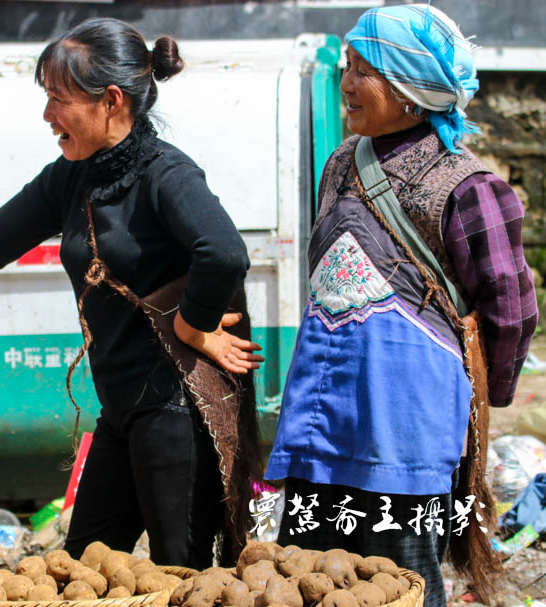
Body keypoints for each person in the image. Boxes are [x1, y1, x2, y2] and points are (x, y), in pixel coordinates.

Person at [0, 17, 264, 568]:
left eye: (58, 99)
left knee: (185, 574)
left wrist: (191, 326)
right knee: (82, 566)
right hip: (121, 411)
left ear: (110, 100)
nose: (47, 116)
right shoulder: (70, 177)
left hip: (176, 413)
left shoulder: (164, 174)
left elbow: (222, 252)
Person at [264, 5, 538, 606]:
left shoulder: (468, 186)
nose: (346, 83)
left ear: (412, 89)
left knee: (401, 584)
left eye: (364, 70)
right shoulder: (341, 163)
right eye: (347, 67)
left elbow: (511, 308)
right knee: (303, 578)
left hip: (405, 432)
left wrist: (481, 399)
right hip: (323, 418)